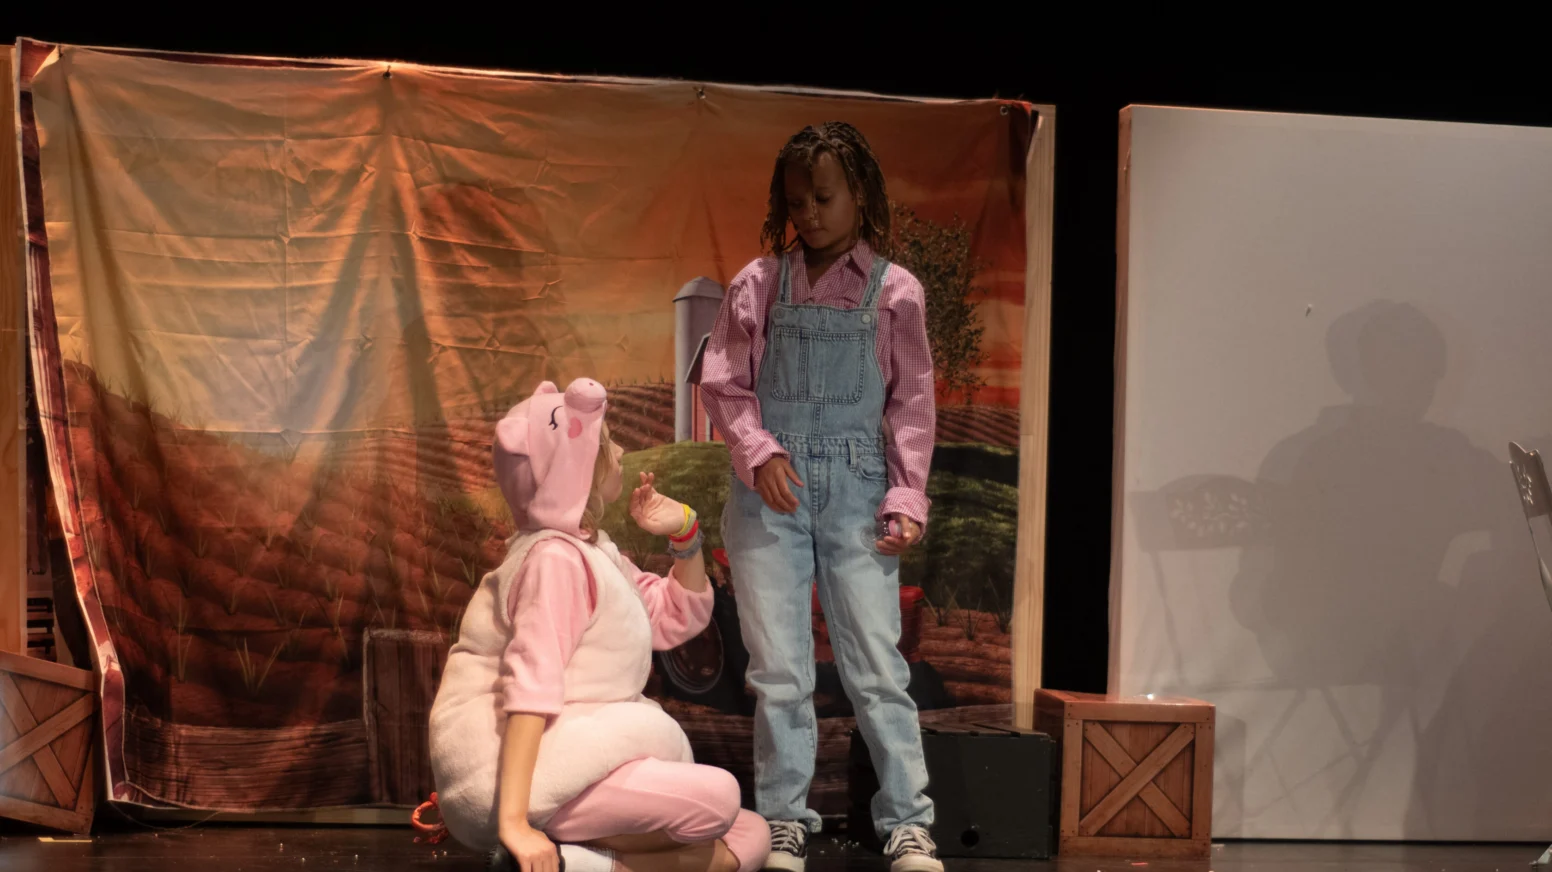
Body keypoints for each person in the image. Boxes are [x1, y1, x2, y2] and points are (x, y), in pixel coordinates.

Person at [700, 122, 941, 872]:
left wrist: (906, 495)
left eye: (825, 196)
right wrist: (759, 451)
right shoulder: (757, 284)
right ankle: (783, 818)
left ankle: (907, 819)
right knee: (779, 668)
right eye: (796, 199)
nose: (809, 212)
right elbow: (724, 383)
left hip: (858, 490)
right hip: (769, 493)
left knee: (876, 663)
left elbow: (911, 404)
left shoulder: (895, 292)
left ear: (860, 193)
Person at [429, 379, 771, 872]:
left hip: (575, 753)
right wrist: (514, 822)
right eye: (607, 444)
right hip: (522, 768)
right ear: (578, 467)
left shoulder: (592, 551)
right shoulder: (555, 561)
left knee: (750, 836)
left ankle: (577, 862)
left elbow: (675, 616)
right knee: (718, 799)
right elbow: (530, 689)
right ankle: (533, 847)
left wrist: (685, 532)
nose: (622, 450)